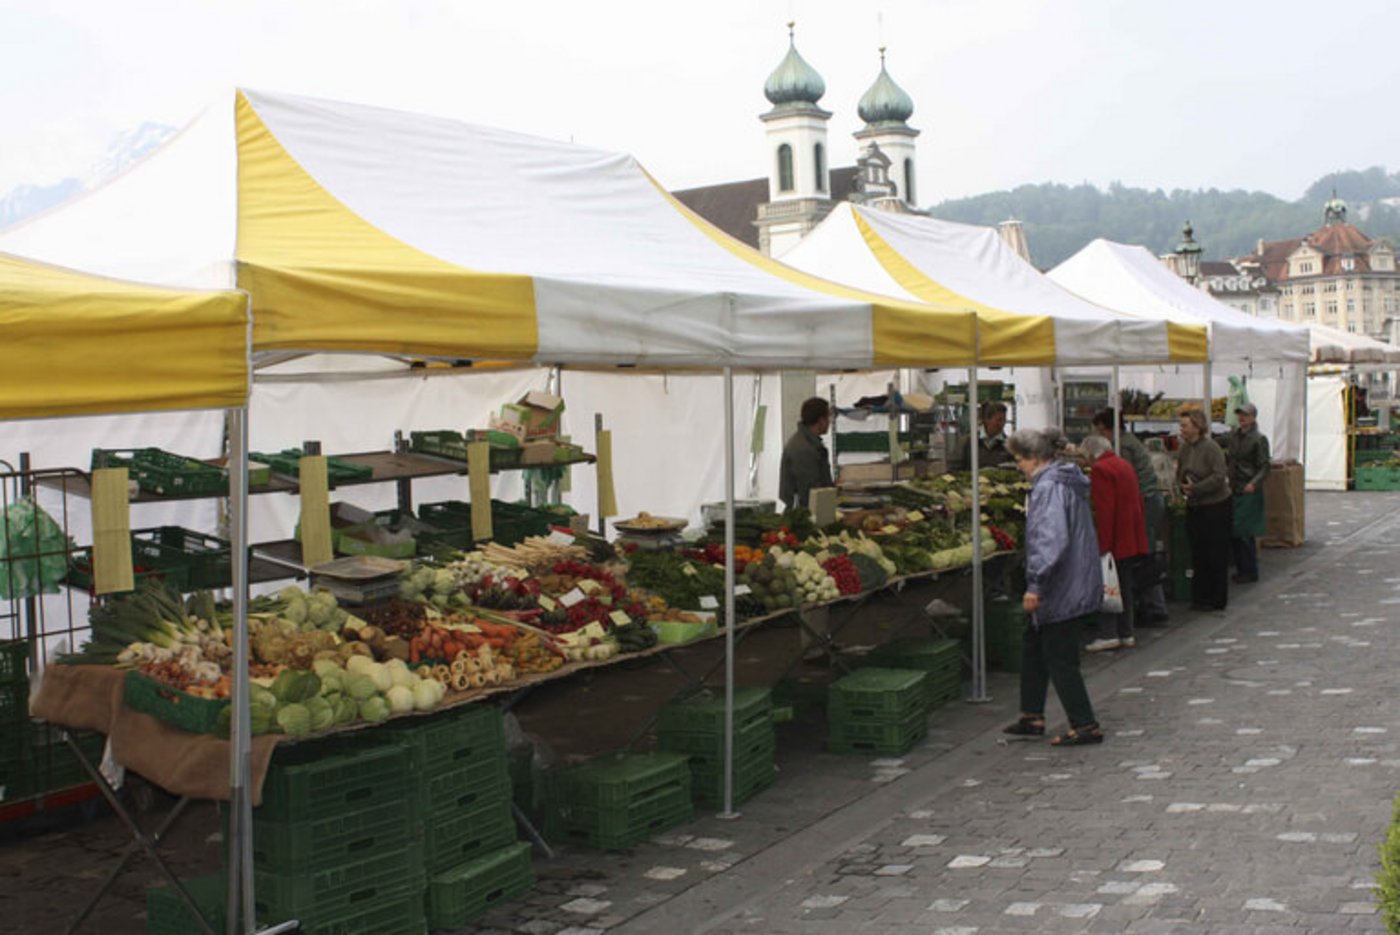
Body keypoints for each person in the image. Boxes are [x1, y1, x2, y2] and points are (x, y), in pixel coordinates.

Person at [1002, 427, 1104, 746]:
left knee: (1060, 656)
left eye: (1020, 459)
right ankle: (1031, 715)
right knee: (1033, 646)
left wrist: (1036, 584)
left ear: (1035, 459)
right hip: (1072, 579)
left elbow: (1051, 540)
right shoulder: (1064, 481)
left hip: (1062, 586)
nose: (1018, 465)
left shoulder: (1049, 488)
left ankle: (1085, 724)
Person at [1091, 409, 1169, 625]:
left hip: (1145, 501)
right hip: (1149, 498)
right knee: (1145, 555)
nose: (1100, 435)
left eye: (1101, 430)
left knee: (1143, 557)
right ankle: (1151, 605)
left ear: (1108, 428)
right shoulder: (1127, 440)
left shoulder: (1122, 446)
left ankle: (1153, 607)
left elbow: (1121, 478)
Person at [1080, 434, 1149, 652]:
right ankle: (1126, 631)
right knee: (1124, 585)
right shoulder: (1123, 464)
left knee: (1108, 586)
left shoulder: (1101, 470)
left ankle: (1108, 633)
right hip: (1130, 534)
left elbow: (1105, 511)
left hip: (1115, 537)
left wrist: (1103, 545)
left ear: (1091, 453)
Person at [1176, 407, 1231, 611]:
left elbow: (1219, 476)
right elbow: (1180, 469)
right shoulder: (1185, 448)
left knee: (1214, 553)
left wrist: (1197, 488)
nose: (1181, 429)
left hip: (1215, 506)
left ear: (1197, 427)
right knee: (1198, 552)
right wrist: (1182, 484)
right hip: (1195, 506)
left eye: (1185, 425)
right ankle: (1199, 596)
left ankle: (1216, 598)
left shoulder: (1211, 448)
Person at [1223, 402, 1270, 583]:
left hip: (1248, 487)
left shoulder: (1259, 439)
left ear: (1253, 418)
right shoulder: (1234, 436)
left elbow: (1265, 466)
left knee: (1245, 531)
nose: (1241, 418)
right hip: (1235, 486)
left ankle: (1250, 570)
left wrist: (1254, 483)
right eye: (1240, 414)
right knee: (1236, 530)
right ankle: (1243, 569)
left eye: (1245, 415)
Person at [779, 397, 834, 513]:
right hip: (804, 517)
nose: (830, 421)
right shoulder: (804, 450)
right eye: (828, 417)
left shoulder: (809, 444)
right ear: (821, 420)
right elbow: (810, 495)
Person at [950, 401, 1013, 471]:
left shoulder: (1009, 445)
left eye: (1004, 420)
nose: (1002, 424)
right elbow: (954, 469)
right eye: (998, 420)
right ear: (987, 420)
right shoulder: (967, 442)